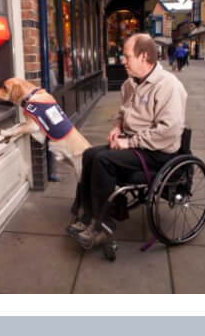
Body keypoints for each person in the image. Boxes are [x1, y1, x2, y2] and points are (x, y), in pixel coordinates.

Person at [68, 33, 188, 249]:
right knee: (89, 154)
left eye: (126, 56)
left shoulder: (168, 86)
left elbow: (169, 131)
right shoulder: (130, 84)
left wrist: (129, 143)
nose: (122, 61)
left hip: (157, 152)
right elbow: (123, 113)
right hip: (135, 143)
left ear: (143, 57)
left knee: (103, 160)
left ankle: (102, 227)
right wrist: (117, 127)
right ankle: (87, 216)